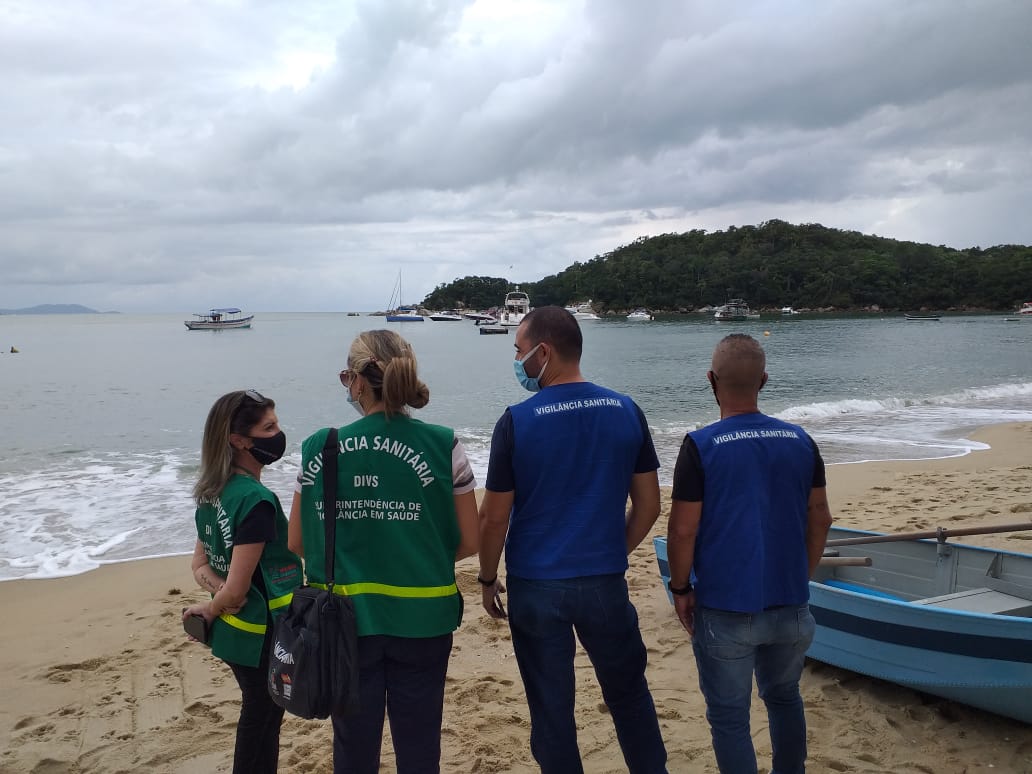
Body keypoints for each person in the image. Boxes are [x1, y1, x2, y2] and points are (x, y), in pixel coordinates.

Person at [478, 305, 668, 774]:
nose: (517, 362)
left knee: (552, 709)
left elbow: (493, 519)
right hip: (604, 581)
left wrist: (486, 579)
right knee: (629, 695)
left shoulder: (517, 421)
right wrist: (612, 551)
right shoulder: (626, 410)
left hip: (537, 585)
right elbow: (649, 506)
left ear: (544, 352)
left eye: (519, 351)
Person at [288, 329, 479, 774]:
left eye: (345, 378)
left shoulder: (321, 447)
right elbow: (469, 542)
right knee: (419, 745)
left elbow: (298, 543)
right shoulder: (443, 443)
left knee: (353, 748)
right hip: (425, 620)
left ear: (357, 381)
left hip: (345, 623)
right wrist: (412, 550)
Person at [666, 334, 834, 774]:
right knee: (784, 698)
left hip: (726, 608)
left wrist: (680, 587)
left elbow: (683, 531)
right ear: (763, 379)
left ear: (710, 380)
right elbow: (821, 519)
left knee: (729, 717)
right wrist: (803, 573)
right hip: (791, 604)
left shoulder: (701, 446)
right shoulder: (800, 440)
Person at [182, 389, 302, 774]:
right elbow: (234, 588)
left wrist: (219, 595)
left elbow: (200, 565)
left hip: (235, 634)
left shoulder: (211, 491)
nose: (279, 433)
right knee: (262, 719)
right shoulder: (256, 502)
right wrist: (217, 604)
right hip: (260, 634)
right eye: (269, 427)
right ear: (239, 440)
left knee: (261, 714)